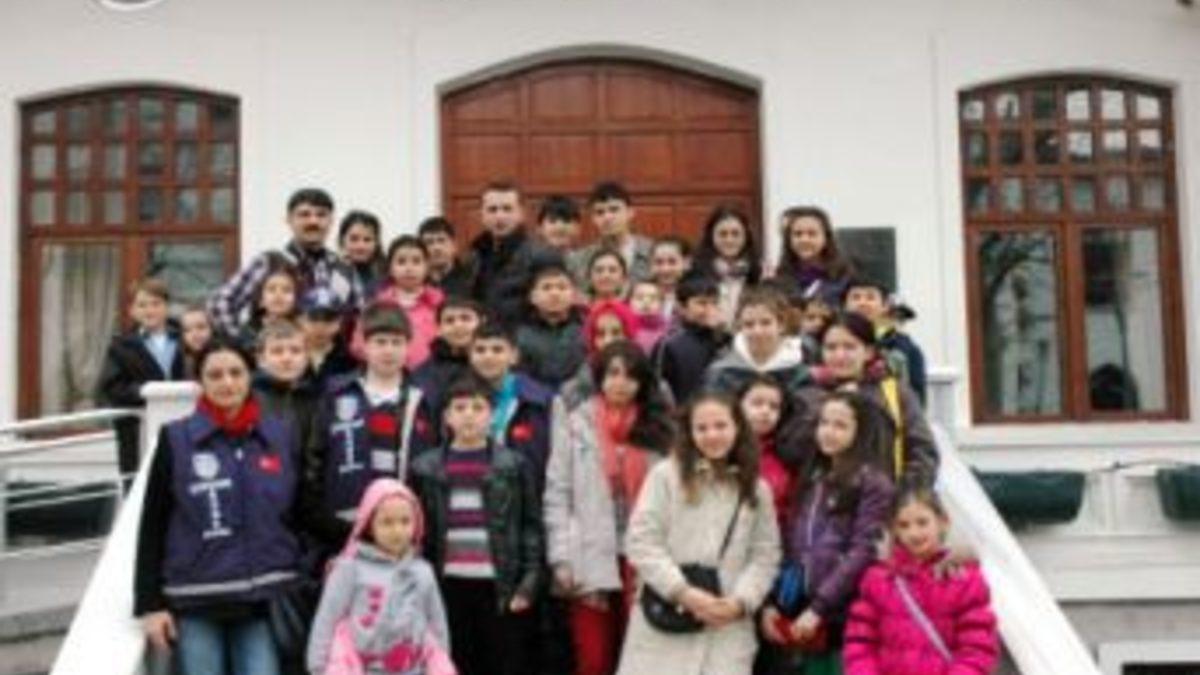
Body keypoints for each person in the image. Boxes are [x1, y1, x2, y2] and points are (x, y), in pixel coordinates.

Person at [135, 338, 302, 675]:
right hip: (196, 599)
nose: (227, 382)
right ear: (199, 382)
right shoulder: (175, 439)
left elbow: (299, 510)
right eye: (215, 375)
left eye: (236, 372)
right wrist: (149, 605)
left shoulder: (279, 436)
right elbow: (153, 523)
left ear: (251, 376)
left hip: (261, 599)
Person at [616, 391, 781, 675]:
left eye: (720, 426)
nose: (712, 435)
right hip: (665, 622)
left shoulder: (756, 489)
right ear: (689, 433)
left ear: (737, 427)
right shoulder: (665, 476)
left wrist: (741, 602)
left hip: (727, 630)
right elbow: (642, 541)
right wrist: (683, 592)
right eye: (701, 428)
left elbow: (765, 555)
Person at [544, 341, 674, 675]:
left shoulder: (659, 427)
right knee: (594, 659)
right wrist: (561, 557)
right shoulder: (576, 420)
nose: (620, 383)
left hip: (644, 556)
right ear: (600, 377)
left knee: (641, 659)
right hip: (588, 554)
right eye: (613, 373)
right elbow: (558, 490)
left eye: (630, 376)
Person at [408, 375, 544, 675]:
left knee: (500, 662)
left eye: (478, 407)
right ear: (446, 416)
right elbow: (414, 533)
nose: (468, 414)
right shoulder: (424, 467)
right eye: (459, 408)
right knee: (455, 662)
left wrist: (529, 582)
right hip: (445, 585)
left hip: (499, 586)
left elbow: (530, 526)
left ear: (492, 415)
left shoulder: (514, 465)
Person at [759, 392, 896, 675]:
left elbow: (863, 550)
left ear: (861, 432)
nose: (828, 432)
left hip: (846, 611)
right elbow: (793, 545)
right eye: (824, 423)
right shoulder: (814, 477)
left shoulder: (873, 482)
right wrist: (775, 602)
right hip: (805, 608)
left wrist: (820, 607)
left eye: (840, 425)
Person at [302, 302, 439, 554]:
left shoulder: (424, 400)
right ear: (364, 346)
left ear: (408, 347)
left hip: (403, 531)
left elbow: (435, 467)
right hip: (344, 529)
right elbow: (314, 459)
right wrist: (324, 522)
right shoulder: (337, 393)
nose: (389, 350)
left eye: (396, 342)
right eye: (380, 342)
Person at [843, 489, 1000, 675]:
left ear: (943, 522)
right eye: (904, 525)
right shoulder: (877, 580)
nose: (914, 533)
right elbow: (859, 642)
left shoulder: (964, 580)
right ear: (894, 530)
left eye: (922, 522)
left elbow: (977, 649)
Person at [306, 478, 453, 675]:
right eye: (387, 522)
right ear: (369, 524)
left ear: (417, 523)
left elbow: (437, 625)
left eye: (405, 521)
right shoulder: (350, 568)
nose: (397, 530)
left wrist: (439, 663)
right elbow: (327, 619)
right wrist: (318, 667)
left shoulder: (423, 571)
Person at [778, 313, 936, 488]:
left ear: (868, 352)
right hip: (822, 498)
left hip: (884, 498)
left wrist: (908, 494)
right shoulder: (806, 394)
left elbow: (922, 451)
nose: (840, 355)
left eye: (849, 347)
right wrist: (829, 408)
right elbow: (790, 452)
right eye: (831, 347)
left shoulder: (894, 392)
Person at [209, 188, 356, 335]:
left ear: (331, 221)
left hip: (330, 349)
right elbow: (219, 304)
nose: (313, 221)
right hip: (276, 348)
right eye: (304, 214)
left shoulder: (343, 269)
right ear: (288, 220)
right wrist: (245, 342)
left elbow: (355, 319)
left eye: (321, 215)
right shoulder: (268, 262)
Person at [97, 277, 185, 490]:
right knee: (142, 491)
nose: (149, 310)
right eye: (142, 305)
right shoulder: (121, 346)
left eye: (156, 303)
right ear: (132, 311)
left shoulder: (184, 339)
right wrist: (145, 392)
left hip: (182, 428)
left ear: (167, 307)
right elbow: (112, 388)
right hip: (139, 432)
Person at [467, 323, 554, 482]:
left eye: (497, 350)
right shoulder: (458, 401)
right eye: (480, 350)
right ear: (470, 356)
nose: (488, 356)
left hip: (527, 489)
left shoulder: (540, 401)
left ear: (514, 356)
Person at [469, 181, 555, 323]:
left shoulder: (542, 256)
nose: (500, 216)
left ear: (521, 213)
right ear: (482, 215)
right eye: (492, 210)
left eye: (507, 209)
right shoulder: (475, 256)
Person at [357, 235, 445, 369]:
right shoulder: (377, 305)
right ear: (390, 268)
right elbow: (359, 344)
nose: (409, 268)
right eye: (401, 262)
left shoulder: (440, 302)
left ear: (427, 266)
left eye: (416, 261)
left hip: (434, 373)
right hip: (385, 372)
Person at [704, 286, 808, 396]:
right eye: (749, 324)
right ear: (740, 327)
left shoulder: (799, 374)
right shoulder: (721, 372)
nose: (757, 331)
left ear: (781, 325)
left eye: (766, 323)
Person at [842, 279, 928, 406]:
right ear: (845, 305)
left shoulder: (903, 347)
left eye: (870, 297)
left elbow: (916, 398)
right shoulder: (831, 342)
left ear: (885, 306)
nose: (862, 303)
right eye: (856, 297)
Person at [652, 273, 727, 405]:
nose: (710, 309)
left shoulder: (725, 340)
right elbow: (656, 389)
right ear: (682, 308)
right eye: (702, 303)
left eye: (714, 303)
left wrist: (721, 334)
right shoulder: (669, 345)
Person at [514, 259, 587, 388]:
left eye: (562, 287)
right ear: (533, 297)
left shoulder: (586, 330)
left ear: (574, 295)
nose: (554, 293)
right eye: (546, 288)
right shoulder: (519, 335)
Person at [691, 205, 763, 328]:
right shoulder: (697, 272)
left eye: (735, 234)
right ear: (711, 237)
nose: (729, 240)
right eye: (722, 234)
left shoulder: (760, 272)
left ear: (746, 236)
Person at [413, 297, 486, 417]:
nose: (458, 325)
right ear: (438, 329)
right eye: (449, 321)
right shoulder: (425, 374)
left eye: (465, 318)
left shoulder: (498, 363)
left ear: (482, 322)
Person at [737, 375, 793, 527]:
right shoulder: (721, 449)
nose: (765, 411)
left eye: (774, 406)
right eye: (757, 403)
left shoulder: (785, 455)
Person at [576, 181, 653, 282]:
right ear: (593, 219)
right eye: (600, 212)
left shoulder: (652, 252)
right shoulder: (580, 259)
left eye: (614, 210)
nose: (607, 217)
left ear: (630, 213)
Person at [296, 286, 358, 392]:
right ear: (300, 320)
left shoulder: (350, 361)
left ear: (339, 322)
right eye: (313, 318)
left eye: (328, 318)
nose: (320, 326)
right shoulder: (287, 355)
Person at [235, 253, 301, 350]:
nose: (279, 295)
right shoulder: (249, 332)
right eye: (271, 289)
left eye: (287, 290)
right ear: (260, 299)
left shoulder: (303, 330)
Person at [420, 216, 476, 300]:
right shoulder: (416, 283)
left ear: (454, 245)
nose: (436, 248)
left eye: (441, 240)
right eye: (429, 242)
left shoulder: (471, 280)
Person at [338, 209, 387, 305]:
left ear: (377, 242)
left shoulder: (387, 273)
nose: (361, 246)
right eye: (354, 239)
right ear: (342, 240)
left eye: (367, 240)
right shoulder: (334, 272)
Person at [537, 195, 587, 282]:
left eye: (566, 221)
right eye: (552, 221)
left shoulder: (586, 262)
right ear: (540, 228)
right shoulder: (531, 263)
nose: (560, 227)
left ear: (578, 228)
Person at [649, 236, 692, 320]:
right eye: (659, 262)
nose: (665, 269)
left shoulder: (696, 296)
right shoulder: (638, 293)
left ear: (686, 263)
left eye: (672, 262)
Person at [628, 280, 669, 354]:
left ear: (662, 303)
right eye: (639, 298)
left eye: (653, 298)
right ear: (629, 301)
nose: (646, 302)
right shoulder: (624, 329)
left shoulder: (670, 331)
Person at [180, 304, 214, 379]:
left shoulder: (222, 358)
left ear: (212, 329)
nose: (195, 334)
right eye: (187, 330)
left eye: (201, 327)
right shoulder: (181, 362)